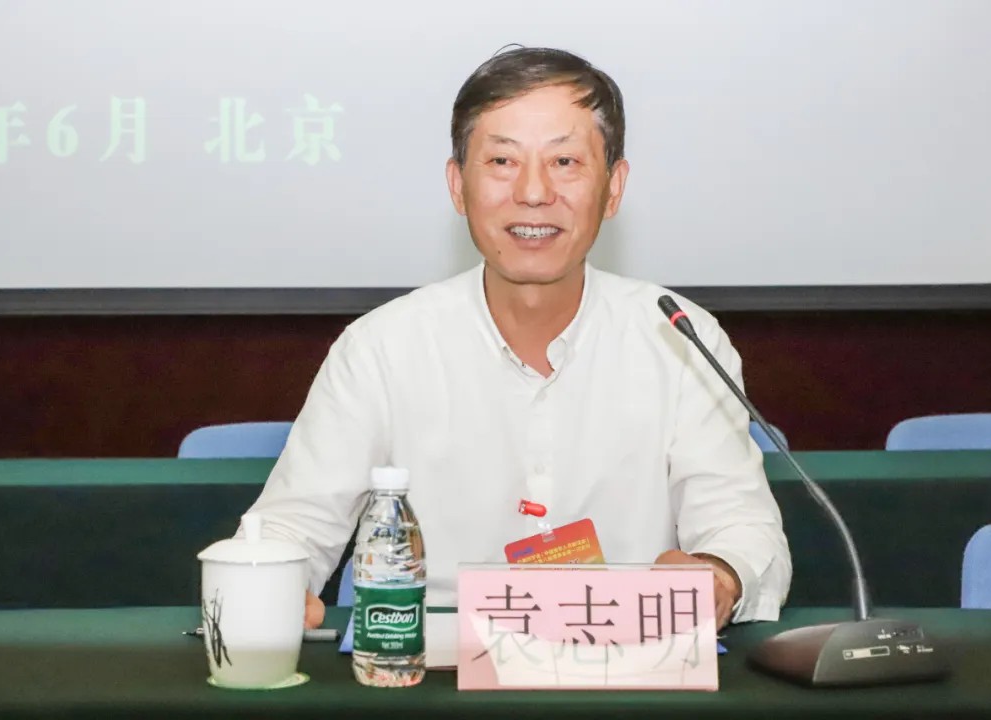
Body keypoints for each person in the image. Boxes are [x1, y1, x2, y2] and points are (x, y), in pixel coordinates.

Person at [243, 47, 791, 632]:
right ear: (458, 185)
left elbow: (742, 528)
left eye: (565, 162)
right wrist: (273, 581)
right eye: (503, 160)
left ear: (613, 188)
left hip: (626, 656)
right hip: (436, 666)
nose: (533, 192)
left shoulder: (679, 337)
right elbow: (292, 525)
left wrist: (719, 575)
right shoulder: (382, 347)